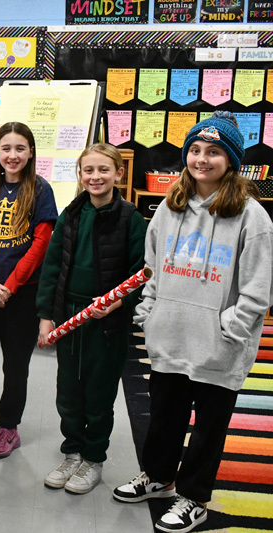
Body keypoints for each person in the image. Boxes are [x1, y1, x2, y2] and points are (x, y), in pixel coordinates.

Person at [113, 112, 273, 533]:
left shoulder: (253, 217)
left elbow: (258, 290)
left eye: (214, 152)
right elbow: (152, 269)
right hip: (169, 336)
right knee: (165, 415)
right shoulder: (170, 207)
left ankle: (194, 497)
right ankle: (159, 478)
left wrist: (231, 330)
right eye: (196, 151)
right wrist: (150, 314)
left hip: (219, 346)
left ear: (232, 160)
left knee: (208, 429)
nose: (202, 160)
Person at [36, 143, 147, 494]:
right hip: (69, 316)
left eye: (103, 170)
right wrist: (45, 316)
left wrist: (116, 304)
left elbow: (141, 272)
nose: (95, 177)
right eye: (88, 171)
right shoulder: (70, 214)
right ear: (80, 175)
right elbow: (52, 267)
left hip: (106, 322)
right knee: (68, 391)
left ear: (118, 173)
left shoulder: (131, 218)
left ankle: (94, 458)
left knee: (99, 394)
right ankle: (72, 452)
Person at [0, 122, 57, 458]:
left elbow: (41, 242)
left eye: (20, 148)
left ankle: (9, 427)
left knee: (15, 365)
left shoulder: (40, 190)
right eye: (6, 148)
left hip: (22, 295)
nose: (12, 155)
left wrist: (10, 284)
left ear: (31, 152)